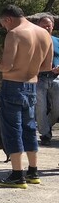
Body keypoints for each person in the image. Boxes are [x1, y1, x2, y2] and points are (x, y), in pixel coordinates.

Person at [0, 5, 53, 188]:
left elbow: (7, 66)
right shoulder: (44, 34)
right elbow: (47, 66)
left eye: (3, 25)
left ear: (8, 19)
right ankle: (33, 171)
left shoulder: (15, 33)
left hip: (12, 86)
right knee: (29, 128)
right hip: (32, 85)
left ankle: (17, 174)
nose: (4, 28)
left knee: (12, 129)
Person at [35, 14, 59, 146]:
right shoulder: (33, 41)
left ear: (52, 26)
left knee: (57, 108)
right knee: (40, 108)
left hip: (56, 79)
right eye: (43, 25)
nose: (46, 27)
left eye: (48, 25)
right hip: (39, 79)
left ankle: (46, 125)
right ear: (38, 27)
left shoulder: (58, 41)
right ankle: (45, 134)